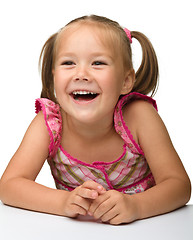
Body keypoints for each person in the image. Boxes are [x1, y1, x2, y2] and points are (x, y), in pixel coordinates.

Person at [0, 15, 191, 225]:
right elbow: (9, 185)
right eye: (68, 63)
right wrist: (63, 202)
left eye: (98, 63)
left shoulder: (139, 116)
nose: (81, 74)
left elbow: (179, 185)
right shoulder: (49, 124)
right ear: (54, 75)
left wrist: (136, 206)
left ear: (126, 81)